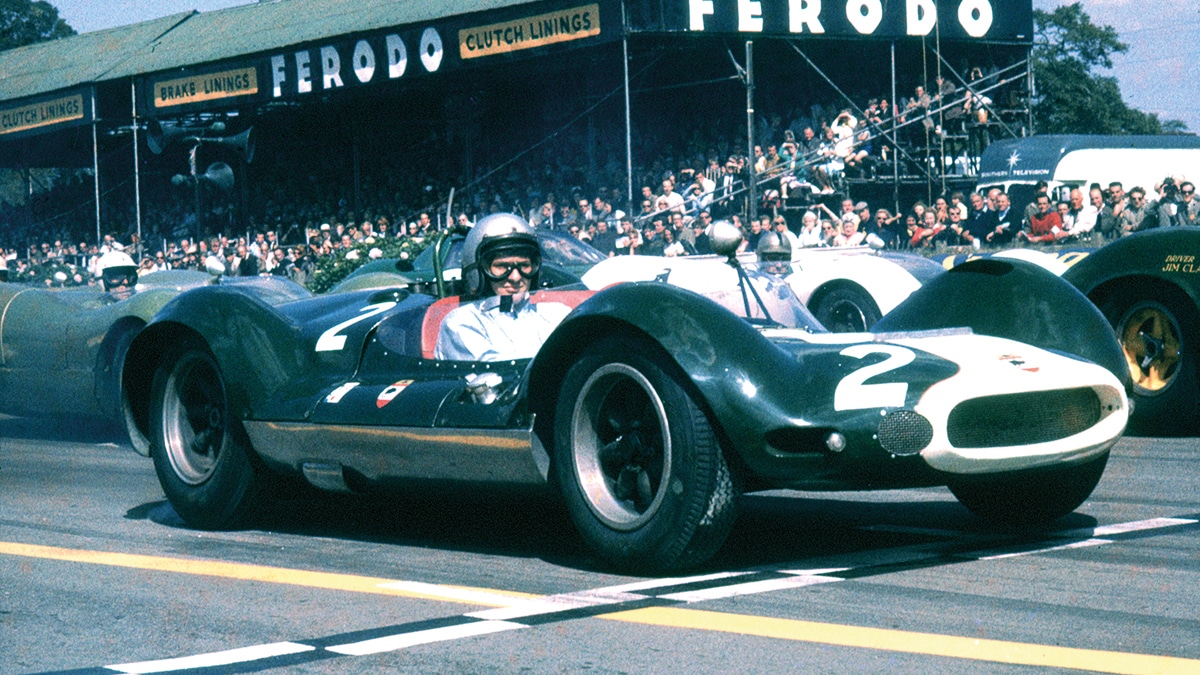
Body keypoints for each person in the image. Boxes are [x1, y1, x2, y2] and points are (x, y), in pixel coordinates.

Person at [435, 214, 572, 362]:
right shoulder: (461, 323)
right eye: (502, 266)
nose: (516, 277)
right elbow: (495, 369)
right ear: (479, 271)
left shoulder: (557, 314)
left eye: (524, 265)